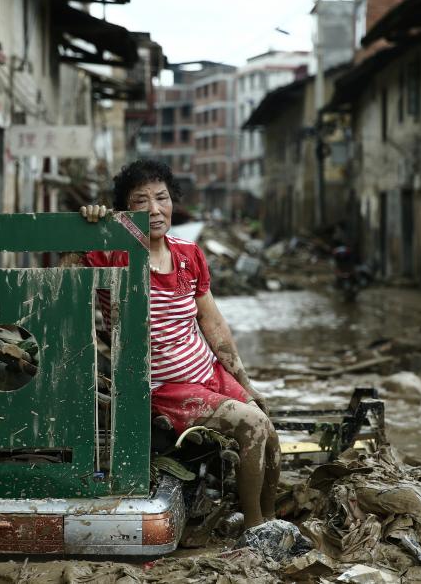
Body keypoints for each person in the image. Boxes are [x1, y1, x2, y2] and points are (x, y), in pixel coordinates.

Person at [77, 159, 280, 529]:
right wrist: (92, 225)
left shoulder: (188, 253)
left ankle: (272, 519)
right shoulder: (111, 254)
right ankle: (254, 528)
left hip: (208, 372)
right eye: (141, 201)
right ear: (125, 209)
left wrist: (245, 382)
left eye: (162, 198)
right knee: (251, 425)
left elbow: (213, 323)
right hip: (163, 387)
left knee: (269, 431)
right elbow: (65, 275)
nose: (155, 210)